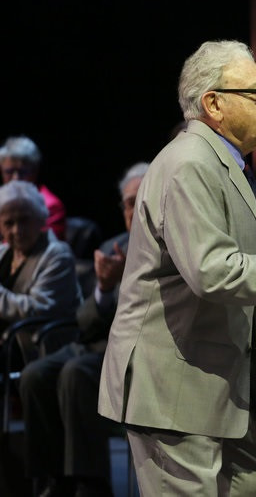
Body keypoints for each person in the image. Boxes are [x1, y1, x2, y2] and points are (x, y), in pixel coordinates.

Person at [97, 40, 256, 496]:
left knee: (253, 485)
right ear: (213, 103)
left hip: (215, 382)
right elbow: (212, 271)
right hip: (173, 392)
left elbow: (194, 276)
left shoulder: (224, 161)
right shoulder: (189, 164)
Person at [18, 162, 148, 497]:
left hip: (141, 353)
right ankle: (52, 482)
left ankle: (91, 485)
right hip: (98, 346)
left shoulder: (172, 250)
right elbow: (86, 324)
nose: (134, 209)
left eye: (142, 199)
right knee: (35, 374)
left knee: (76, 373)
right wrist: (104, 288)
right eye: (129, 203)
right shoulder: (110, 249)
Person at [0, 180, 81, 331]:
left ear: (41, 219)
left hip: (38, 346)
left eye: (24, 220)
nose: (17, 230)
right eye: (9, 223)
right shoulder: (3, 252)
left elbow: (38, 310)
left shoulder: (57, 255)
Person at [0, 136, 66, 240]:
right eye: (9, 172)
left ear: (35, 171)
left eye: (22, 172)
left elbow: (36, 246)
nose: (16, 178)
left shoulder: (50, 205)